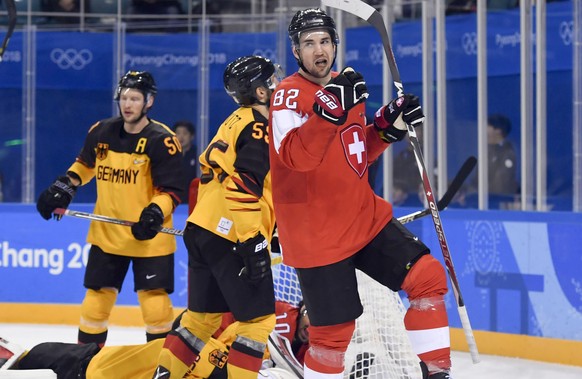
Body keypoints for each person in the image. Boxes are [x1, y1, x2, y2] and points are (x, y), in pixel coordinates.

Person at [268, 8, 452, 379]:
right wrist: (327, 113)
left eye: (325, 41)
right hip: (316, 234)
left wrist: (387, 127)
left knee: (427, 277)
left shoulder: (345, 87)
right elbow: (296, 157)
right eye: (309, 43)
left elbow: (354, 154)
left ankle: (435, 372)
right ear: (295, 51)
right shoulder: (287, 96)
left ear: (335, 44)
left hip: (362, 218)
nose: (319, 50)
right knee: (332, 338)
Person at [152, 55, 282, 379]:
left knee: (200, 321)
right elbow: (243, 186)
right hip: (233, 232)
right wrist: (252, 240)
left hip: (202, 227)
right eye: (273, 81)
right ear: (261, 91)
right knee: (258, 322)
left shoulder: (236, 119)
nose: (279, 85)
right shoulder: (259, 125)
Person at [36, 71, 184, 347]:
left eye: (136, 98)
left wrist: (153, 212)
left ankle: (162, 366)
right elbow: (84, 165)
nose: (128, 104)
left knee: (156, 308)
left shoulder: (162, 140)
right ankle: (86, 364)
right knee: (95, 305)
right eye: (125, 97)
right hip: (108, 235)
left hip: (149, 238)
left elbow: (171, 191)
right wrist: (64, 187)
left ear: (149, 101)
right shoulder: (101, 131)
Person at [0, 299, 309, 379]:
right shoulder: (221, 349)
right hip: (92, 366)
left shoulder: (221, 352)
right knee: (22, 359)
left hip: (97, 367)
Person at [172, 120, 198, 204]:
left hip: (192, 200)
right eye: (178, 133)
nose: (181, 137)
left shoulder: (198, 154)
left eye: (185, 133)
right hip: (173, 199)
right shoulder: (169, 154)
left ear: (192, 136)